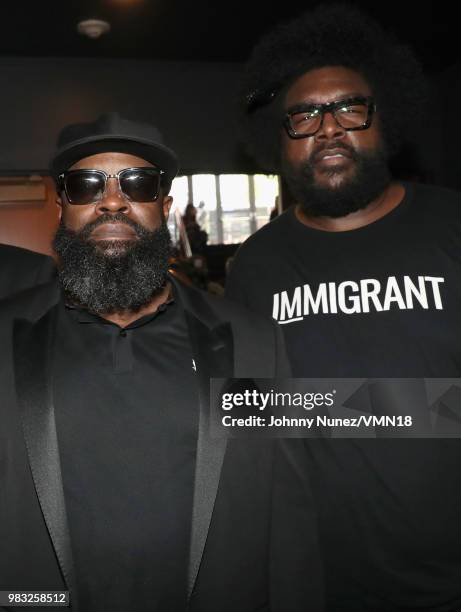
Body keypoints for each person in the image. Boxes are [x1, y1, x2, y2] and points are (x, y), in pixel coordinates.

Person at [0, 113, 323, 612]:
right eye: (87, 186)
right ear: (62, 206)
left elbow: (291, 517)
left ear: (165, 206)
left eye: (138, 183)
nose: (112, 201)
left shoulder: (253, 342)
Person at [226, 5, 461, 611]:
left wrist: (333, 405)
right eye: (303, 116)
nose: (328, 128)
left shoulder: (452, 226)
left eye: (349, 108)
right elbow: (249, 411)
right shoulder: (257, 265)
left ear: (385, 122)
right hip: (319, 581)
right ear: (280, 142)